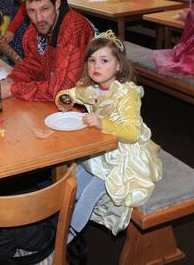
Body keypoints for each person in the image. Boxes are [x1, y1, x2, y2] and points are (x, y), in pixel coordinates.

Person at [55, 31, 162, 236]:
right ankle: (54, 228)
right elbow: (70, 93)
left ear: (118, 65)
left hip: (123, 156)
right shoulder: (92, 89)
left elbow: (132, 133)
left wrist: (102, 123)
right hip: (100, 151)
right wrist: (63, 99)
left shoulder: (126, 93)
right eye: (92, 60)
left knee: (88, 195)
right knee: (71, 183)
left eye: (104, 60)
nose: (96, 66)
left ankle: (63, 241)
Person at [0, 0, 95, 101]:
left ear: (57, 3)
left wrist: (13, 89)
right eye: (31, 11)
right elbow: (32, 65)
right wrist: (11, 80)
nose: (38, 18)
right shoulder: (32, 32)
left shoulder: (74, 29)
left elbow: (62, 90)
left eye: (44, 9)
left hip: (91, 104)